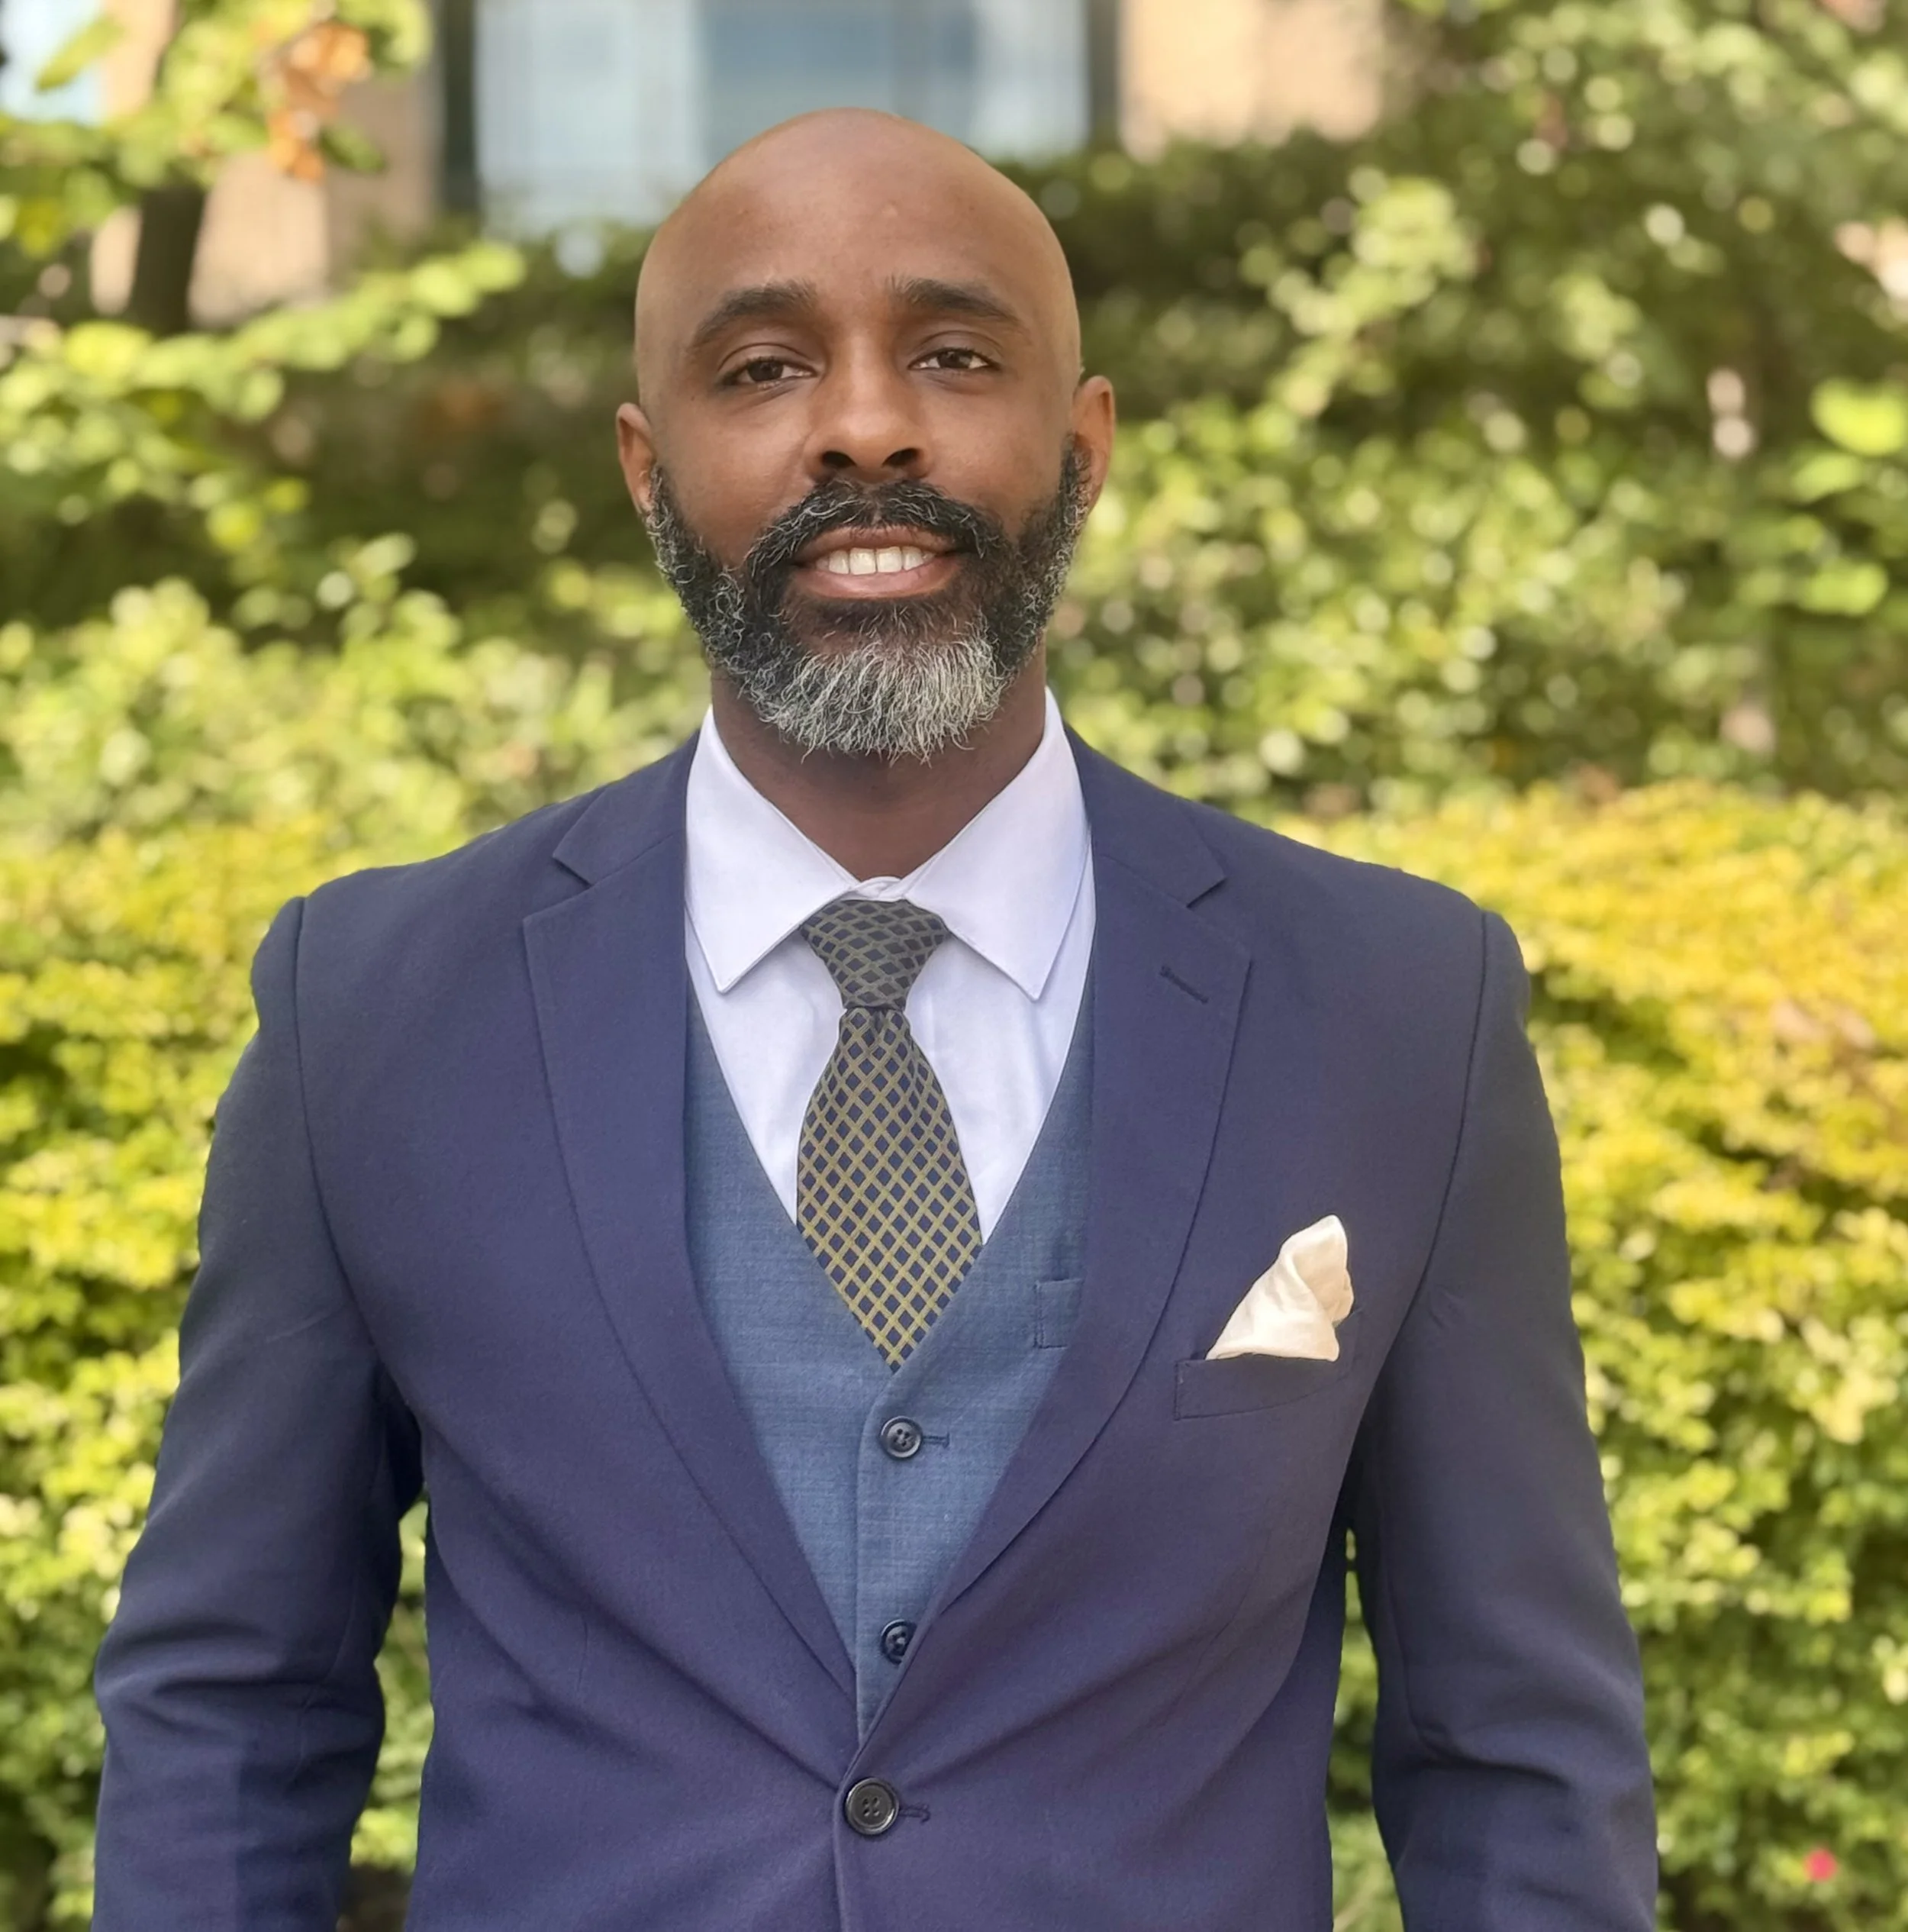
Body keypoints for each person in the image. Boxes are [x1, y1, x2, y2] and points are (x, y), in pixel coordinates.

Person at [92, 109, 1656, 1930]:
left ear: (1083, 444)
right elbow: (229, 1708)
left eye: (953, 354)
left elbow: (1516, 1754)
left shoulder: (1397, 1006)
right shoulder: (370, 1007)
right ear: (646, 468)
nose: (861, 425)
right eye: (760, 367)